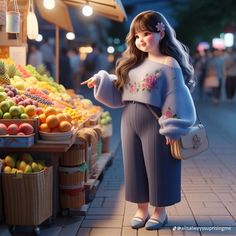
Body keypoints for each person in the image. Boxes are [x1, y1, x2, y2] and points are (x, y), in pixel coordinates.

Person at [82, 10, 196, 230]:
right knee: (133, 166)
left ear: (161, 32)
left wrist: (172, 127)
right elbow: (121, 87)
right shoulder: (133, 62)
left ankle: (159, 211)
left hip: (155, 121)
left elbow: (176, 94)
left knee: (159, 165)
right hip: (129, 120)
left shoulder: (169, 62)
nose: (141, 39)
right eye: (137, 35)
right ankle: (141, 208)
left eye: (146, 33)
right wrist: (101, 79)